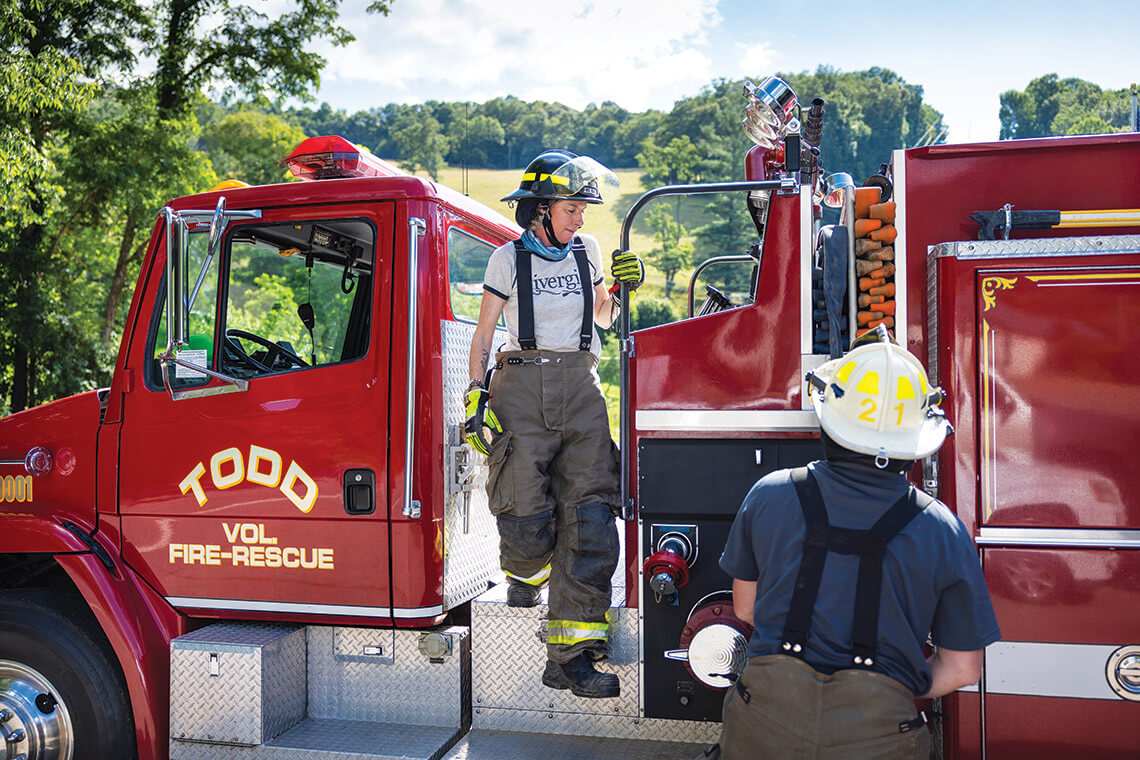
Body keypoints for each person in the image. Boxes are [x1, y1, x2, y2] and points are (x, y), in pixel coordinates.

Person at [713, 326, 1000, 759]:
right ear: (914, 439)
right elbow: (963, 668)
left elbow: (746, 609)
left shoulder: (769, 493)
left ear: (830, 422)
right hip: (881, 739)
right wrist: (889, 687)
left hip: (763, 727)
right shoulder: (943, 530)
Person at [464, 149, 644, 699]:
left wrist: (621, 292)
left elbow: (605, 318)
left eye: (583, 210)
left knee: (591, 521)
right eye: (571, 209)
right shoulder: (505, 260)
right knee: (525, 518)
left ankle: (572, 659)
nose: (580, 219)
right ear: (540, 209)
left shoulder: (587, 251)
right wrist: (475, 396)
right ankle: (523, 574)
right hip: (519, 388)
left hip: (583, 390)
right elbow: (484, 333)